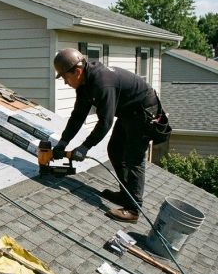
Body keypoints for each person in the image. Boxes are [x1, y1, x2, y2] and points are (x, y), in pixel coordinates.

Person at [52, 48, 162, 224]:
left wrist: (84, 147)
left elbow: (105, 123)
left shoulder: (101, 83)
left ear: (78, 71)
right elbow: (78, 116)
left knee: (133, 158)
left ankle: (133, 210)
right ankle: (125, 194)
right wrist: (63, 142)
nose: (65, 82)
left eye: (65, 77)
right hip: (129, 111)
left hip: (144, 111)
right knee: (115, 150)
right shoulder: (84, 84)